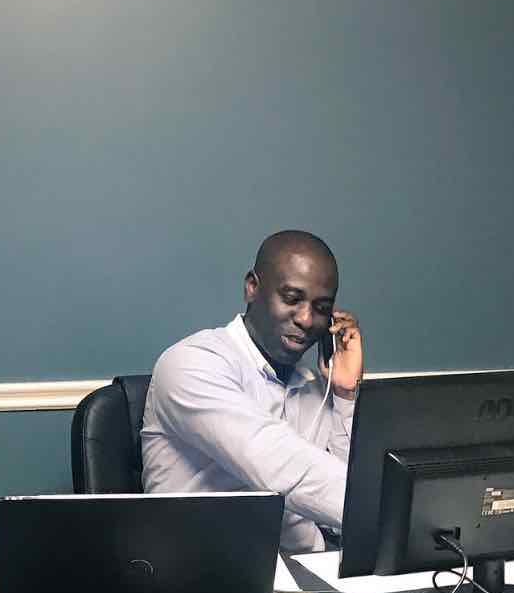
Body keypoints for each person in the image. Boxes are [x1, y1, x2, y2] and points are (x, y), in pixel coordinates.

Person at [141, 230, 364, 552]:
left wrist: (345, 394)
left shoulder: (314, 387)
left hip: (304, 577)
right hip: (202, 574)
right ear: (252, 287)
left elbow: (337, 514)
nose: (306, 318)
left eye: (321, 307)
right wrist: (398, 514)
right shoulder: (192, 363)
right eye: (291, 298)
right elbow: (280, 468)